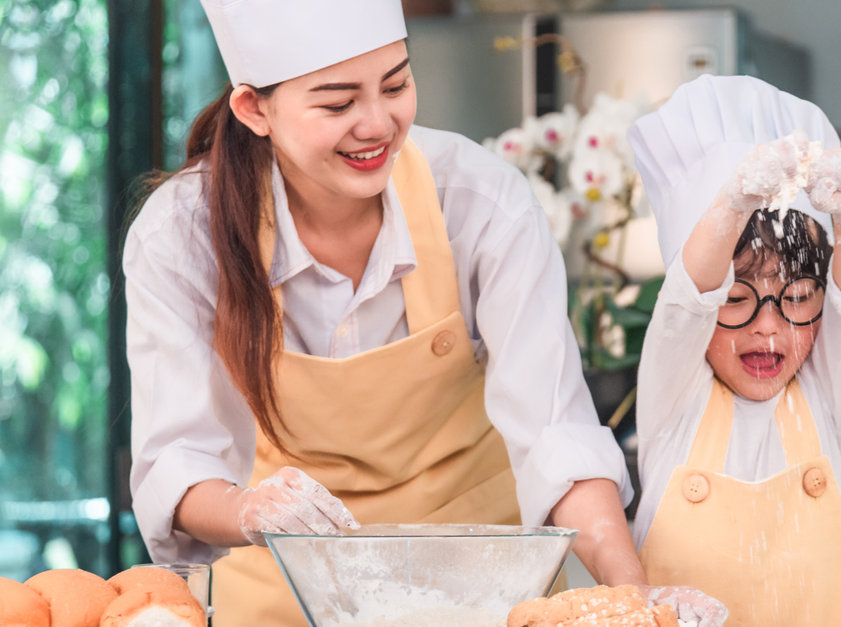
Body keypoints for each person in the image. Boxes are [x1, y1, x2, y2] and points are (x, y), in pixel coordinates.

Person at [124, 1, 669, 623]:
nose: (378, 124)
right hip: (281, 594)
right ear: (255, 109)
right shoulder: (181, 233)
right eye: (337, 103)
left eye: (396, 84)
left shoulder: (480, 204)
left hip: (479, 596)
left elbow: (558, 437)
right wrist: (252, 511)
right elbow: (177, 459)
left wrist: (635, 599)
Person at [626, 74, 841, 626]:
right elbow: (687, 302)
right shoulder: (676, 398)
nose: (769, 330)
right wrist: (733, 203)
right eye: (736, 300)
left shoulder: (823, 392)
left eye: (794, 298)